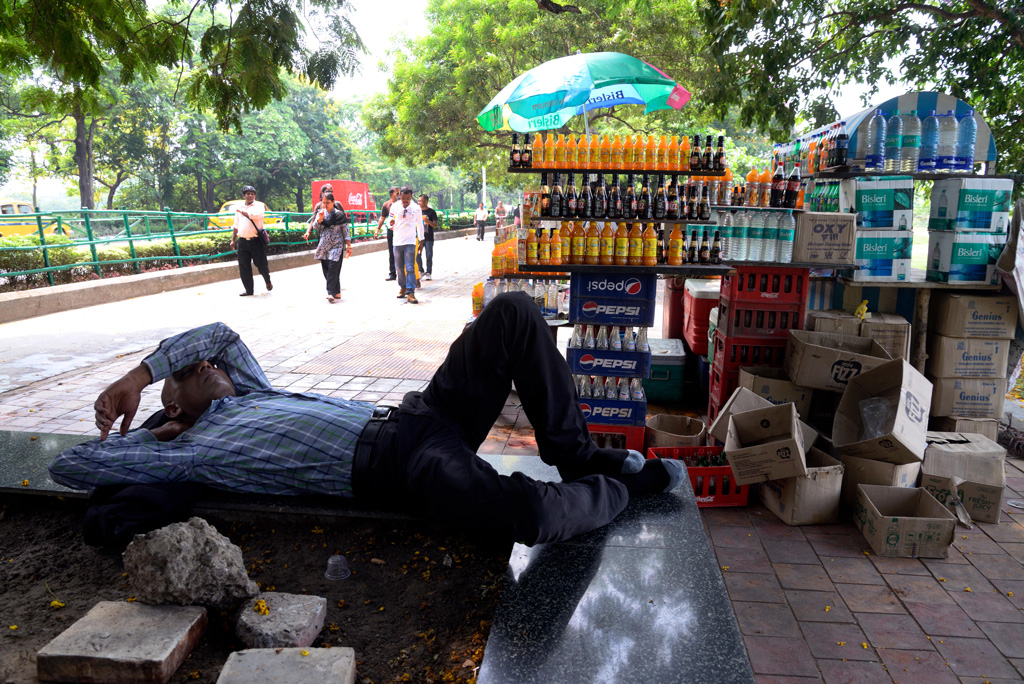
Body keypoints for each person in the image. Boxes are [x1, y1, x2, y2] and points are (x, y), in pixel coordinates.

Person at [48, 293, 685, 546]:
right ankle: (618, 489)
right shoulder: (190, 449)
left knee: (514, 313)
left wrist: (140, 375)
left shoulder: (249, 391)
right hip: (401, 466)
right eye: (190, 373)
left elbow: (217, 331)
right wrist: (148, 435)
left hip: (421, 416)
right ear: (177, 412)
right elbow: (69, 463)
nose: (205, 362)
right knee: (535, 516)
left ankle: (576, 455)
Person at [303, 193, 352, 303]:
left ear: (333, 202)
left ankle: (330, 293)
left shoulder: (339, 215)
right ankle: (337, 292)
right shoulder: (322, 214)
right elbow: (316, 227)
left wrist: (349, 246)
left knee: (333, 269)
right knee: (326, 269)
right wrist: (320, 219)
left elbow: (345, 231)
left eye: (328, 203)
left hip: (337, 245)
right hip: (324, 246)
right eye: (323, 203)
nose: (325, 205)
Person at [229, 185, 273, 296]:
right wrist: (233, 240)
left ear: (255, 195)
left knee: (261, 264)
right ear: (244, 195)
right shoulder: (239, 208)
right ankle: (249, 290)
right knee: (243, 266)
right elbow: (236, 225)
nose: (250, 196)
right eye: (247, 193)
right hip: (243, 241)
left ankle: (267, 280)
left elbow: (256, 215)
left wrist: (245, 212)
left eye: (252, 194)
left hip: (256, 241)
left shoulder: (259, 206)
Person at [391, 186, 424, 304]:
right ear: (399, 195)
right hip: (397, 241)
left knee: (410, 267)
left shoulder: (416, 208)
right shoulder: (394, 206)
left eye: (408, 198)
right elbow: (389, 222)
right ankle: (403, 287)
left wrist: (421, 241)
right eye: (403, 198)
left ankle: (411, 292)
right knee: (399, 268)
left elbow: (420, 225)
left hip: (410, 241)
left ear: (411, 197)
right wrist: (390, 224)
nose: (405, 200)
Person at [374, 187, 400, 281]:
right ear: (392, 193)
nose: (398, 194)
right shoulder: (386, 205)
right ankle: (392, 273)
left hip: (401, 231)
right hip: (391, 230)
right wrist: (377, 229)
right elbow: (382, 218)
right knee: (392, 252)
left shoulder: (402, 204)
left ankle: (402, 272)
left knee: (401, 251)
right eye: (397, 192)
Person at [415, 194, 437, 281]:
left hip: (428, 237)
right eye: (418, 201)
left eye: (421, 201)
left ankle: (428, 272)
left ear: (426, 201)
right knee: (417, 254)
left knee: (429, 255)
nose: (419, 202)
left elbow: (435, 225)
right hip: (419, 237)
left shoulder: (431, 212)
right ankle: (421, 270)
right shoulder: (417, 211)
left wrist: (427, 221)